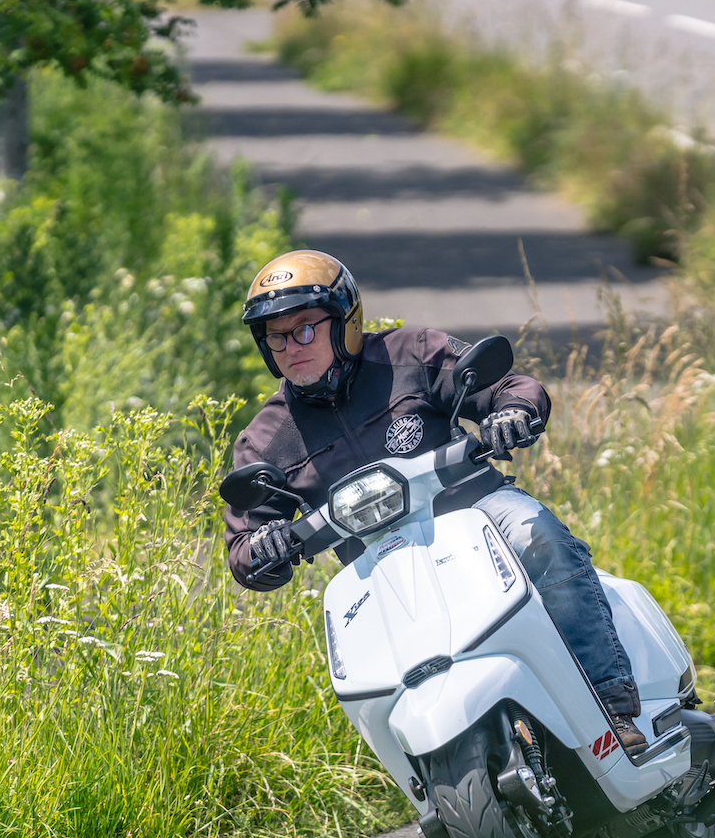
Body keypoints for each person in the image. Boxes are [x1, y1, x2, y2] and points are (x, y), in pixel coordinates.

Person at [222, 249, 650, 753]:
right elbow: (244, 547)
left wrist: (512, 411)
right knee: (356, 655)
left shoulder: (412, 353)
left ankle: (610, 709)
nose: (290, 345)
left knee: (542, 540)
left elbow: (508, 386)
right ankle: (423, 778)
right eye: (275, 335)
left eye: (305, 328)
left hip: (478, 513)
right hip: (375, 569)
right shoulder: (266, 438)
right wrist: (264, 548)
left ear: (345, 322)